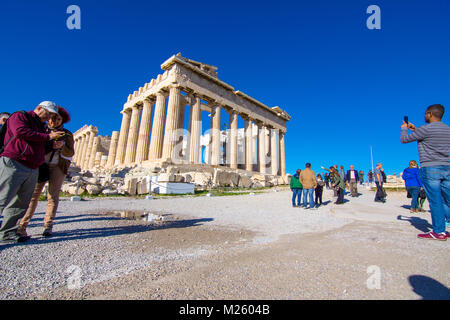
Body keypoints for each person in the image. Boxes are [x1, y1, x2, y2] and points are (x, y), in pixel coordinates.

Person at [0, 102, 65, 243]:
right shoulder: (20, 116)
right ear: (39, 108)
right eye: (48, 114)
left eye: (52, 116)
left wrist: (52, 146)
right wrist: (48, 137)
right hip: (14, 162)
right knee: (2, 197)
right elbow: (20, 132)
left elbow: (40, 147)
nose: (49, 118)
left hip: (32, 167)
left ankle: (7, 233)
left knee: (21, 202)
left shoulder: (41, 127)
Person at [18, 107, 74, 237]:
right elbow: (32, 145)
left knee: (53, 196)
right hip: (40, 164)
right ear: (48, 118)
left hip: (58, 166)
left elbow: (70, 152)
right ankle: (22, 226)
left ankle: (48, 226)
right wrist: (49, 145)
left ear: (62, 120)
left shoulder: (67, 134)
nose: (55, 121)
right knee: (33, 195)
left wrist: (62, 146)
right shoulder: (41, 130)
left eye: (58, 119)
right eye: (53, 118)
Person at [401, 104, 450, 241]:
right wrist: (415, 129)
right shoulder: (447, 129)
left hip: (430, 168)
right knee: (448, 199)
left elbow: (404, 140)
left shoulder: (425, 129)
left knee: (436, 201)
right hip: (447, 167)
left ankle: (439, 232)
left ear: (429, 113)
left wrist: (404, 129)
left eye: (425, 114)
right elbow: (432, 137)